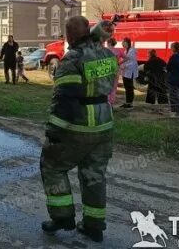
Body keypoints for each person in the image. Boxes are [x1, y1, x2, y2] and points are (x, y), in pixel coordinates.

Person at [40, 16, 117, 243]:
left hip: (81, 125)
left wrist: (54, 132)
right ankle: (94, 227)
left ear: (70, 36)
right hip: (105, 123)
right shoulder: (106, 55)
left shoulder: (72, 60)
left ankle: (62, 218)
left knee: (52, 165)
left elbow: (64, 99)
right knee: (94, 174)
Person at [167, 42, 179, 118]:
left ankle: (176, 112)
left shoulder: (174, 57)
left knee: (173, 95)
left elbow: (169, 67)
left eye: (171, 47)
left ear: (174, 48)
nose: (170, 48)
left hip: (174, 78)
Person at [120, 37, 137, 109]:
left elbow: (132, 62)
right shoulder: (126, 50)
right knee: (127, 87)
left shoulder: (132, 50)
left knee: (129, 87)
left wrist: (124, 66)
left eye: (123, 42)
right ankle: (127, 102)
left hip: (130, 71)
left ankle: (130, 103)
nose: (122, 44)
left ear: (127, 42)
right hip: (126, 71)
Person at [106, 38, 124, 105]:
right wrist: (119, 63)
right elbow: (127, 58)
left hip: (107, 70)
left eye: (107, 42)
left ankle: (107, 101)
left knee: (106, 85)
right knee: (114, 87)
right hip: (116, 69)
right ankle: (112, 101)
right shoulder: (118, 50)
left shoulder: (105, 50)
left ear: (109, 43)